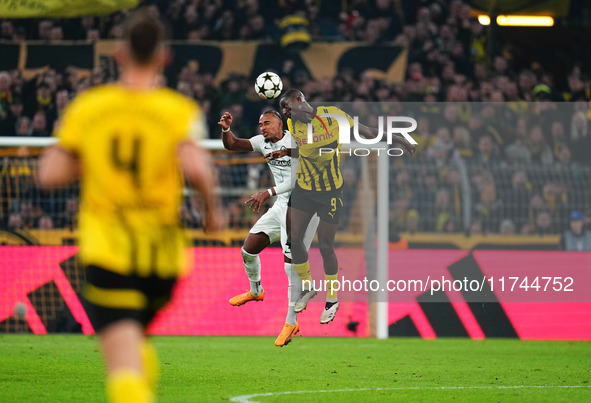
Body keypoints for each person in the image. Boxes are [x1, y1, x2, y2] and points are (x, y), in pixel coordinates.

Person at [37, 11, 220, 403]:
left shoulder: (90, 106)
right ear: (164, 57)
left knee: (122, 368)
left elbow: (49, 174)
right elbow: (197, 170)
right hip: (163, 257)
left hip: (109, 250)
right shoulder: (177, 110)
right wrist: (212, 213)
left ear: (119, 53)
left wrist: (92, 160)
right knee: (135, 340)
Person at [274, 89, 416, 324]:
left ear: (299, 100)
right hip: (305, 189)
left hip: (330, 191)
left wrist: (400, 139)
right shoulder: (291, 123)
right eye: (283, 109)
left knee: (326, 247)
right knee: (294, 239)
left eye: (287, 106)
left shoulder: (333, 115)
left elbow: (368, 132)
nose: (285, 112)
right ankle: (308, 286)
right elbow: (306, 149)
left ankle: (332, 299)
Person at [218, 109, 319, 346]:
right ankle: (256, 291)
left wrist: (268, 192)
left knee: (290, 266)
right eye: (260, 124)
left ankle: (291, 322)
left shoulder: (297, 140)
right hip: (282, 205)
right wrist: (226, 128)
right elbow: (232, 144)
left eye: (267, 123)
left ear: (280, 124)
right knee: (248, 249)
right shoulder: (262, 142)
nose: (262, 127)